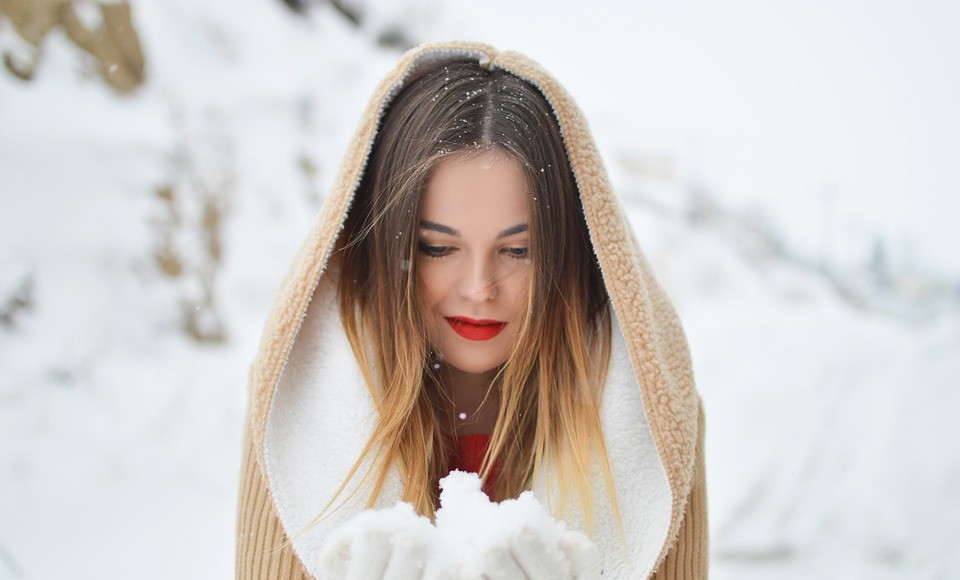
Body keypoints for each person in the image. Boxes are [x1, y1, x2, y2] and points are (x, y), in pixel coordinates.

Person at [235, 40, 708, 579]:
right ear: (388, 247)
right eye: (438, 248)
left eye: (517, 251)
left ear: (569, 252)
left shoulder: (650, 417)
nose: (480, 288)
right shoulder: (298, 404)